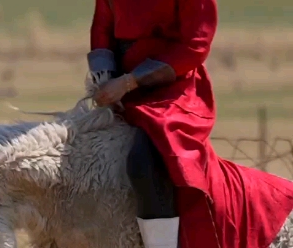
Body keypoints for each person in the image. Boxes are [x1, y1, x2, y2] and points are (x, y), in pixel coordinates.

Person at [87, 0, 293, 247]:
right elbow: (102, 25)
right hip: (118, 88)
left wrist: (130, 82)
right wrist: (104, 78)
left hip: (173, 90)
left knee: (146, 159)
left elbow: (195, 45)